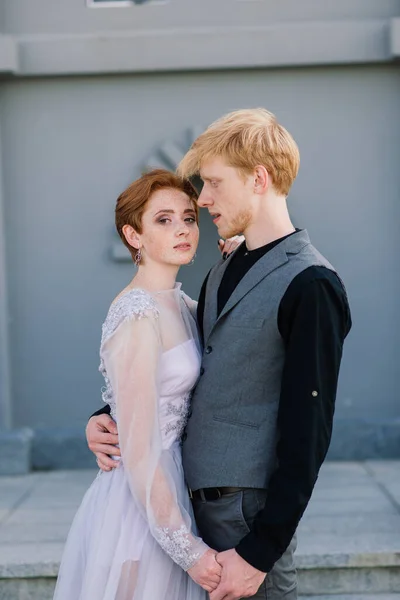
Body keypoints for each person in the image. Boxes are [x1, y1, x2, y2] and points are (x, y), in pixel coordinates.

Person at [87, 108, 352, 600]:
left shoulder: (311, 284)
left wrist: (261, 551)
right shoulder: (224, 268)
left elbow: (308, 431)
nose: (202, 199)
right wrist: (110, 414)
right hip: (190, 506)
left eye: (212, 183)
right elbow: (201, 365)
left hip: (245, 518)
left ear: (259, 178)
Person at [54, 169, 242, 600]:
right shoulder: (137, 314)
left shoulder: (181, 303)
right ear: (133, 235)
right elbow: (139, 450)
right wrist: (189, 551)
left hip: (180, 484)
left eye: (189, 218)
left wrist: (239, 256)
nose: (182, 229)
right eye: (163, 220)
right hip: (139, 505)